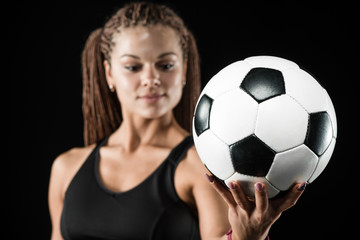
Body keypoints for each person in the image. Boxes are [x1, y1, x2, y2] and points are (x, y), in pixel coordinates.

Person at [48, 2, 306, 239]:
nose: (151, 78)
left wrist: (246, 236)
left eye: (165, 65)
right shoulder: (67, 168)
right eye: (133, 67)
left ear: (184, 69)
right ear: (109, 74)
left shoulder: (200, 167)